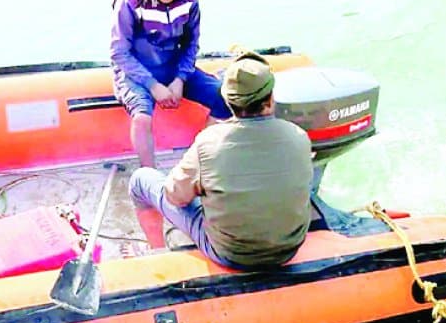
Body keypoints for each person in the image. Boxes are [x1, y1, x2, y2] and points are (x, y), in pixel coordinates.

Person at [127, 51, 313, 266]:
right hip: (289, 249)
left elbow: (174, 197)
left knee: (141, 179)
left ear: (228, 101)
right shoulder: (299, 136)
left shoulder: (208, 142)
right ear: (270, 100)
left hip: (230, 254)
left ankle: (157, 251)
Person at [110, 0, 231, 169]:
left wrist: (180, 79)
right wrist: (152, 85)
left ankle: (197, 160)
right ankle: (149, 175)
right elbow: (119, 53)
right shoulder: (130, 2)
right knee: (142, 117)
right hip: (135, 72)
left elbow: (191, 45)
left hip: (174, 66)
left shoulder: (190, 1)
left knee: (223, 98)